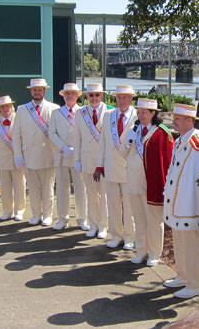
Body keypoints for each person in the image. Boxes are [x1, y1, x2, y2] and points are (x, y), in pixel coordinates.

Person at [163, 103, 199, 299]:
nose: (174, 121)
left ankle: (195, 284)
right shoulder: (181, 140)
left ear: (190, 121)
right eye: (174, 117)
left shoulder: (198, 143)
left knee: (193, 243)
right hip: (178, 202)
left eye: (178, 118)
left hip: (191, 203)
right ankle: (183, 276)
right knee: (179, 240)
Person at [124, 98, 174, 266]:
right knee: (138, 219)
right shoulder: (135, 130)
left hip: (151, 183)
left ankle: (154, 253)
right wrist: (128, 140)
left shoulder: (162, 132)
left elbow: (167, 161)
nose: (140, 115)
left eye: (144, 112)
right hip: (133, 182)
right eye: (138, 112)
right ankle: (141, 251)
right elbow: (123, 153)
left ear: (153, 113)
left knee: (153, 220)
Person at [12, 78, 59, 226]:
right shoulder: (21, 109)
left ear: (44, 91)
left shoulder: (54, 108)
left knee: (48, 188)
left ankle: (47, 215)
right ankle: (36, 214)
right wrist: (18, 155)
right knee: (32, 188)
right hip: (29, 155)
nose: (37, 92)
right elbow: (16, 135)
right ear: (31, 91)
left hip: (48, 155)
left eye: (40, 89)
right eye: (34, 90)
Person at [95, 85, 137, 249]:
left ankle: (129, 237)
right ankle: (116, 235)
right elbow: (102, 143)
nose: (122, 100)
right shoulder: (108, 116)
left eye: (125, 97)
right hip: (111, 166)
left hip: (129, 168)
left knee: (129, 206)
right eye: (119, 97)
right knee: (112, 204)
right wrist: (99, 165)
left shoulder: (137, 116)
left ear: (131, 98)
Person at [49, 83, 88, 231]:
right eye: (67, 94)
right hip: (62, 155)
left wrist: (76, 149)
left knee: (81, 189)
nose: (70, 96)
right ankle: (62, 218)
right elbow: (51, 133)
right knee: (62, 189)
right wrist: (63, 147)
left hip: (78, 157)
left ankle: (82, 218)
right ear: (63, 96)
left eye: (73, 93)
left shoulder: (83, 112)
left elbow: (86, 135)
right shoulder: (56, 113)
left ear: (78, 95)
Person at [75, 83, 109, 238]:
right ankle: (93, 224)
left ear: (102, 96)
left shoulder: (110, 112)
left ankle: (103, 226)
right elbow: (77, 139)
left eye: (97, 95)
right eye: (91, 95)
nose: (94, 98)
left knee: (104, 196)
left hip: (104, 162)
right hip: (87, 160)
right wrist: (77, 159)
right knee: (91, 195)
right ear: (86, 96)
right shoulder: (80, 113)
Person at [0, 96, 26, 221]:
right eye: (2, 107)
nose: (5, 109)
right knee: (5, 188)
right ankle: (7, 210)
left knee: (19, 186)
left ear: (11, 107)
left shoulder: (19, 119)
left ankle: (19, 210)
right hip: (2, 160)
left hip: (17, 159)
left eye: (7, 106)